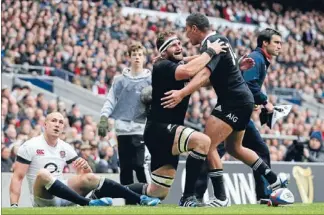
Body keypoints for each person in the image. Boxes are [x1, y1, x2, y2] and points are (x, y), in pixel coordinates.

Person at [161, 13, 289, 207]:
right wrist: (181, 59)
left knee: (207, 145)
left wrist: (182, 93)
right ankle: (274, 180)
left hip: (233, 101)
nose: (187, 36)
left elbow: (204, 73)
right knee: (234, 149)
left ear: (195, 28)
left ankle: (220, 198)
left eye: (187, 31)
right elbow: (216, 67)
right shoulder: (218, 40)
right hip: (242, 101)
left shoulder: (211, 42)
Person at [125, 31, 228, 207]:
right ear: (163, 52)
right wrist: (211, 51)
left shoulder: (175, 65)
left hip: (164, 132)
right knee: (202, 141)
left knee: (156, 192)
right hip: (160, 128)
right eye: (174, 44)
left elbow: (205, 77)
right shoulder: (163, 65)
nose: (179, 46)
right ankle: (188, 197)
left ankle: (103, 189)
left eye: (180, 43)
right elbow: (190, 69)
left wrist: (233, 64)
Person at [194, 28, 283, 204]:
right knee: (212, 148)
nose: (280, 46)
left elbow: (243, 83)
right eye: (277, 42)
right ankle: (199, 195)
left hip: (239, 108)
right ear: (265, 43)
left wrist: (256, 101)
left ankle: (265, 192)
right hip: (235, 109)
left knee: (228, 149)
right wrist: (265, 102)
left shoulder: (262, 60)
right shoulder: (257, 59)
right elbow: (249, 85)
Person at [9, 112, 160, 207]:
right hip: (43, 199)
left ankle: (141, 199)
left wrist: (86, 167)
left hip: (64, 195)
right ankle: (87, 203)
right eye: (54, 121)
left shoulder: (65, 147)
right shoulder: (30, 146)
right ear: (45, 124)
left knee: (90, 177)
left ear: (63, 128)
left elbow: (84, 175)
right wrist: (14, 205)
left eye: (61, 122)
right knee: (42, 174)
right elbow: (17, 177)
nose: (57, 124)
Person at [98, 43, 151, 187]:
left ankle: (149, 198)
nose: (137, 58)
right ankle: (129, 202)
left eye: (140, 55)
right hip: (122, 130)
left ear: (144, 58)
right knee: (125, 168)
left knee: (141, 166)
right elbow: (110, 100)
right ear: (129, 57)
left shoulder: (150, 79)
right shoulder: (119, 80)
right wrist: (104, 117)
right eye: (134, 55)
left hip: (141, 129)